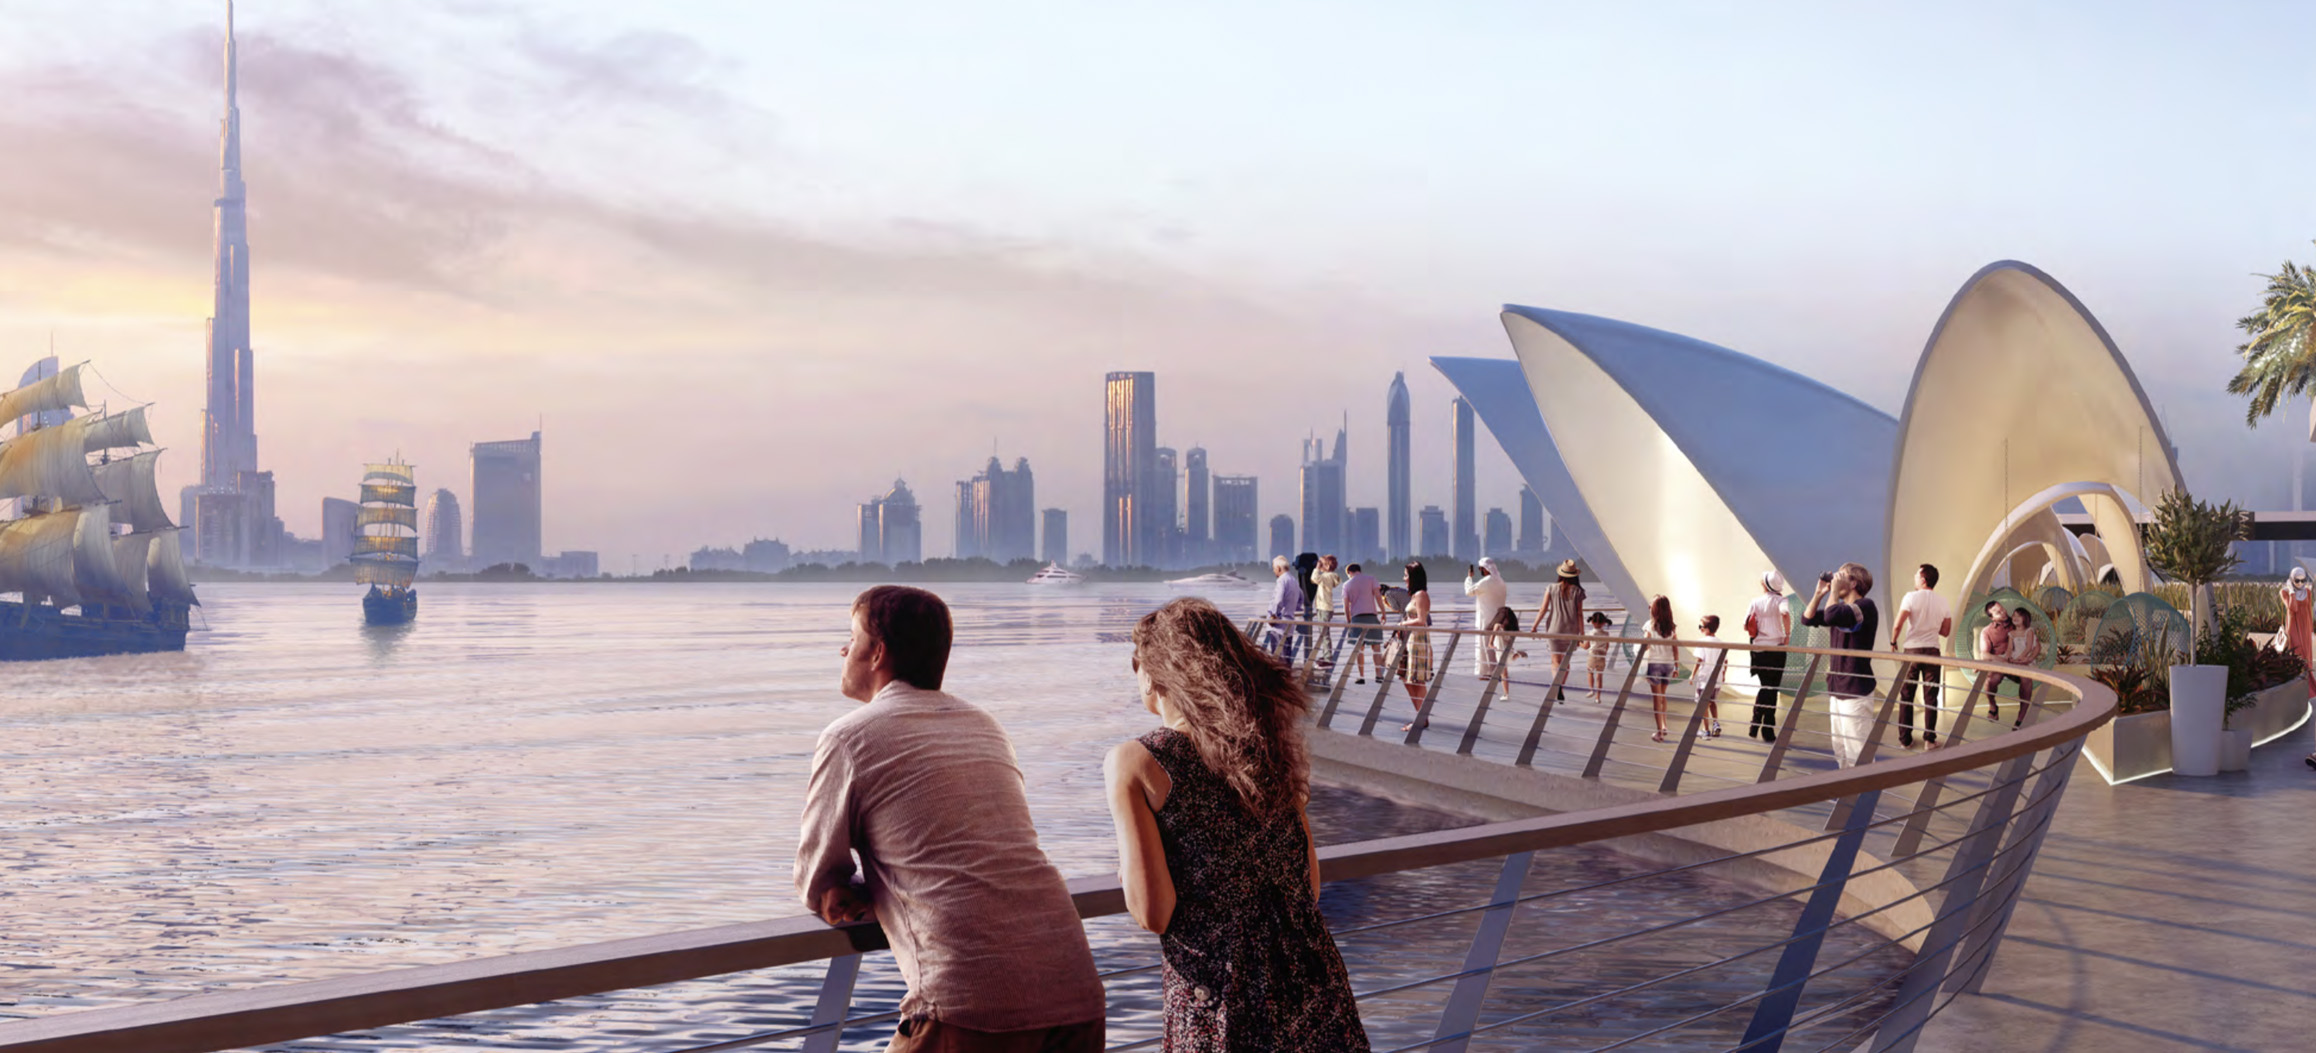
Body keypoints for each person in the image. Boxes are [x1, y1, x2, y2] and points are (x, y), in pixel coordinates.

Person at [798, 586, 1106, 1051]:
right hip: (1075, 991)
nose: (844, 650)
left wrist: (869, 894)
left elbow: (821, 886)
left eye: (852, 637)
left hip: (972, 1005)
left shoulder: (849, 738)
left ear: (878, 652)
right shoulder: (984, 725)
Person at [1104, 598, 1371, 1051]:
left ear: (1154, 673)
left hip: (1222, 999)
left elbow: (1154, 912)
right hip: (1314, 991)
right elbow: (1307, 886)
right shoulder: (1265, 751)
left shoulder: (1137, 761)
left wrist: (1130, 872)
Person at [1802, 563, 1881, 767]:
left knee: (1858, 749)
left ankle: (1864, 794)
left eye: (1842, 575)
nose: (1835, 578)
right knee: (1841, 748)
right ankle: (1847, 793)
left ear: (1854, 582)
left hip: (1855, 690)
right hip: (1837, 688)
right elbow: (1807, 619)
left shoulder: (1866, 607)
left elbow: (1831, 615)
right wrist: (1819, 593)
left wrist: (1834, 592)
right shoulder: (1841, 610)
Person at [1888, 563, 1954, 749]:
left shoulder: (1910, 597)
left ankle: (1905, 740)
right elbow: (1946, 631)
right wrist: (1931, 627)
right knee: (1931, 696)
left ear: (1924, 579)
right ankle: (1929, 740)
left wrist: (1893, 642)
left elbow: (1898, 625)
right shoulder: (1943, 601)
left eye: (1917, 575)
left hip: (1912, 652)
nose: (1914, 578)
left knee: (1906, 695)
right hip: (1933, 651)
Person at [1745, 572, 1790, 742]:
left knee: (1766, 686)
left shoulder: (1755, 601)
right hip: (1777, 649)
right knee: (1772, 688)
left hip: (1758, 649)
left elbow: (1746, 624)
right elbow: (1785, 614)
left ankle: (1756, 721)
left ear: (1764, 584)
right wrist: (1787, 634)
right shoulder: (1782, 600)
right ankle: (1767, 728)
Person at [1536, 560, 1587, 701]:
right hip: (1571, 631)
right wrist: (1581, 634)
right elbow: (1580, 614)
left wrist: (1534, 627)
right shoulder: (1579, 591)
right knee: (1566, 662)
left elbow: (1543, 609)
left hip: (1554, 630)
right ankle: (1561, 687)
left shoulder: (1551, 588)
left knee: (1555, 661)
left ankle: (1557, 685)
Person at [1397, 561, 1436, 733]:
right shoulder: (1414, 596)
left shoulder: (1421, 595)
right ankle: (1421, 717)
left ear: (1414, 576)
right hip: (1410, 640)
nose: (1404, 578)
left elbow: (1422, 620)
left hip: (1418, 641)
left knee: (1417, 681)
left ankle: (1421, 719)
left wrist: (1403, 623)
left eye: (1406, 575)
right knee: (1407, 680)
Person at [1637, 597, 1680, 742]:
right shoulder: (1671, 627)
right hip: (1667, 665)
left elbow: (1646, 645)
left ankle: (1659, 732)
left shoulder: (1649, 625)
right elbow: (1675, 647)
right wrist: (1676, 666)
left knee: (1656, 699)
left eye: (1651, 605)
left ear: (1655, 609)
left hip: (1654, 664)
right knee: (1663, 696)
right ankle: (1664, 725)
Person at [1340, 562, 1387, 685]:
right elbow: (1378, 596)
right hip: (1372, 617)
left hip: (1356, 618)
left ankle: (1361, 676)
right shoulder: (1371, 579)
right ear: (1359, 570)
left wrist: (1349, 620)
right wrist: (1383, 612)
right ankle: (1378, 675)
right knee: (1376, 648)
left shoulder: (1346, 585)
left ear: (1350, 572)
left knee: (1359, 650)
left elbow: (1346, 606)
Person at [1464, 557, 1509, 676]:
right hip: (1499, 618)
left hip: (1486, 618)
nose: (1480, 571)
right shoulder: (1500, 580)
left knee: (1485, 646)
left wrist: (1469, 578)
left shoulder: (1486, 581)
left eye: (1480, 569)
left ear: (1485, 569)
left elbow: (1469, 591)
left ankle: (1488, 672)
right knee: (1496, 646)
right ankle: (1497, 671)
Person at [1976, 600, 2016, 723]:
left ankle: (2023, 714)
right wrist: (2002, 660)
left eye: (2002, 609)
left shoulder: (2016, 622)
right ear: (1992, 618)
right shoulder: (1987, 631)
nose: (2003, 612)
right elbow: (1985, 654)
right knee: (1990, 681)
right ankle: (1992, 705)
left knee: (2027, 680)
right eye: (1998, 612)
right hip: (2000, 664)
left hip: (2017, 662)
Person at [2004, 606, 2041, 729]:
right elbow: (2009, 648)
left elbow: (2029, 647)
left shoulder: (2029, 631)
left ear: (2025, 618)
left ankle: (2022, 714)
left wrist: (2021, 658)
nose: (2014, 618)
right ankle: (2022, 714)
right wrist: (2009, 657)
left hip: (2025, 659)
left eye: (2018, 616)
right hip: (2015, 660)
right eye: (2013, 615)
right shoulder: (2011, 633)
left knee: (2026, 678)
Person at [1693, 614, 1728, 738]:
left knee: (1703, 705)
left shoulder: (1702, 642)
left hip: (1704, 679)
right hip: (1717, 680)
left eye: (1700, 627)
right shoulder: (1721, 643)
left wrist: (1692, 675)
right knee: (1712, 702)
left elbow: (1699, 660)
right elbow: (1725, 661)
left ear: (1707, 629)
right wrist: (1723, 675)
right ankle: (1716, 724)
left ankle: (1705, 730)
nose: (1700, 629)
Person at [2280, 567, 2314, 694]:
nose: (2300, 583)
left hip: (2305, 628)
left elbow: (2309, 611)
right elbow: (2292, 608)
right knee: (2297, 654)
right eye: (2297, 580)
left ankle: (2308, 687)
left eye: (2303, 580)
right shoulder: (2284, 592)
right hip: (2293, 627)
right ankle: (2295, 687)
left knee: (2307, 657)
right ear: (2291, 579)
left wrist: (2310, 629)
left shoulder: (2308, 592)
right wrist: (2291, 591)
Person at [1265, 555, 1304, 659]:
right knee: (1286, 656)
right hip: (1289, 624)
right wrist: (1294, 609)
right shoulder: (1294, 580)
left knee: (1278, 657)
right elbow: (1301, 598)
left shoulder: (1281, 580)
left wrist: (1273, 615)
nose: (1274, 571)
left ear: (1278, 568)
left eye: (1274, 568)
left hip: (1279, 626)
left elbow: (1278, 600)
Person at [1310, 555, 1345, 666]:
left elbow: (1314, 579)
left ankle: (1328, 658)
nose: (1319, 564)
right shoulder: (1328, 576)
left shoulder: (1328, 576)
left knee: (1324, 634)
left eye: (1321, 563)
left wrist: (1316, 568)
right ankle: (1326, 655)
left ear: (1327, 565)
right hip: (1323, 607)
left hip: (1325, 608)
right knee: (1323, 633)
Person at [1484, 605, 1528, 678]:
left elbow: (1495, 629)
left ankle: (1517, 655)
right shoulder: (1511, 627)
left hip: (1500, 648)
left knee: (1503, 672)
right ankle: (1517, 655)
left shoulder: (1498, 626)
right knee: (1506, 666)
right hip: (1508, 647)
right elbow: (1520, 632)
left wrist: (1490, 643)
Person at [1585, 611, 1614, 698]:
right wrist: (1604, 653)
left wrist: (1579, 643)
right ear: (1604, 623)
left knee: (1590, 672)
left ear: (1592, 622)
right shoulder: (1606, 634)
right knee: (1599, 676)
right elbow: (1607, 646)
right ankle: (1598, 696)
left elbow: (1586, 646)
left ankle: (1591, 690)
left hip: (1592, 655)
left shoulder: (1590, 633)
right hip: (1602, 656)